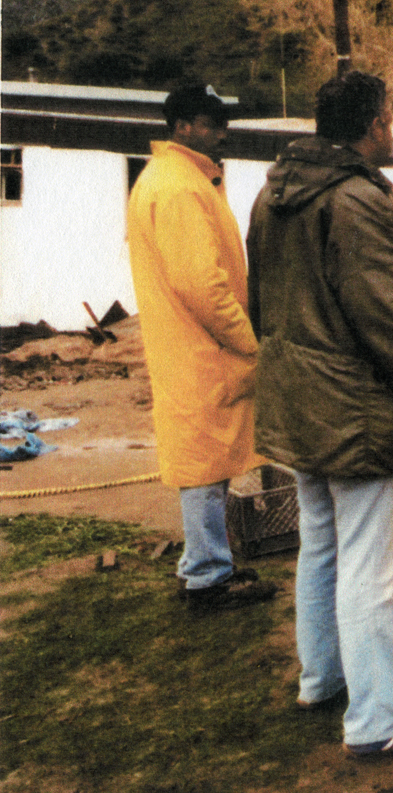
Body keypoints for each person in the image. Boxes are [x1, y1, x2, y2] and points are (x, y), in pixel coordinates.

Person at [247, 70, 393, 756]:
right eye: (390, 116)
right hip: (356, 414)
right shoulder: (359, 202)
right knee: (369, 565)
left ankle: (321, 680)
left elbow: (259, 303)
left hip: (297, 401)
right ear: (375, 124)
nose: (392, 127)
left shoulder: (271, 192)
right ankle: (375, 721)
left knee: (320, 544)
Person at [127, 83, 276, 612]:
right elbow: (202, 286)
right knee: (204, 468)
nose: (221, 134)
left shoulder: (171, 178)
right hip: (202, 350)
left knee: (203, 462)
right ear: (183, 127)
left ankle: (205, 564)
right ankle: (208, 577)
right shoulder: (180, 187)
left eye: (222, 124)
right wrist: (248, 342)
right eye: (211, 125)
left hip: (187, 347)